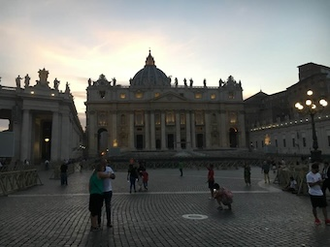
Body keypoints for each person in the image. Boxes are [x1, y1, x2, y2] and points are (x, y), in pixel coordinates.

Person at [89, 161, 114, 231]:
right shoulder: (100, 174)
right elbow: (108, 175)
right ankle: (95, 226)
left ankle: (94, 225)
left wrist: (91, 192)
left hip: (93, 194)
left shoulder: (93, 175)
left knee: (93, 210)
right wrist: (109, 173)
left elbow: (89, 186)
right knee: (96, 210)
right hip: (98, 194)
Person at [98, 159, 115, 228]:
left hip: (108, 190)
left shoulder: (109, 169)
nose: (104, 165)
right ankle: (98, 222)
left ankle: (109, 222)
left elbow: (113, 176)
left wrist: (109, 175)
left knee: (108, 207)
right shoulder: (98, 170)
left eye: (105, 163)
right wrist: (107, 175)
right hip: (100, 191)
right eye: (103, 163)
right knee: (99, 207)